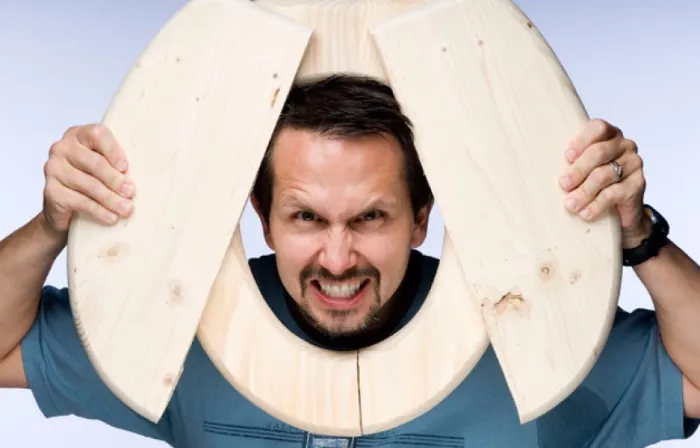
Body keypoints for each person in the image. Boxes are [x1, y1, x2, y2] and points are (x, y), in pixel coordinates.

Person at [1, 74, 699, 448]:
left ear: (422, 218)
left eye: (370, 217)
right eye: (307, 217)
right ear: (261, 216)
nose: (337, 259)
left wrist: (637, 235)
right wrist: (55, 224)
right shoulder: (191, 328)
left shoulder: (527, 331)